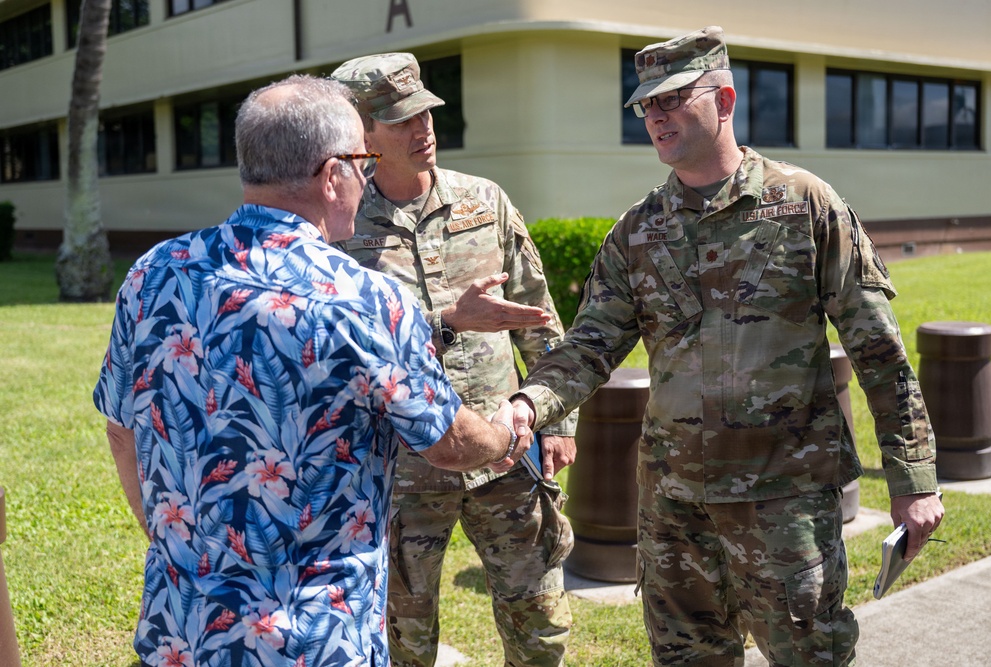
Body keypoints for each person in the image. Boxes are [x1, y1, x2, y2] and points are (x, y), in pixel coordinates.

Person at [508, 26, 945, 667]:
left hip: (785, 504)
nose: (656, 115)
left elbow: (878, 351)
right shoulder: (637, 231)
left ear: (725, 100)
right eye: (646, 106)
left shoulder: (804, 207)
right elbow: (590, 344)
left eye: (673, 98)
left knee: (809, 656)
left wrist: (913, 479)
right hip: (674, 508)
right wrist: (530, 402)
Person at [93, 74, 532, 667]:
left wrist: (177, 545)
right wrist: (507, 431)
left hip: (182, 626)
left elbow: (121, 430)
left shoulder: (154, 273)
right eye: (363, 161)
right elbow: (449, 444)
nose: (368, 176)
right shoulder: (369, 299)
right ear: (332, 176)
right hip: (315, 640)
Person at [330, 53, 576, 667]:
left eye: (425, 112)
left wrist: (558, 421)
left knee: (539, 618)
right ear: (362, 134)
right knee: (403, 631)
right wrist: (444, 320)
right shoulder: (338, 226)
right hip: (401, 466)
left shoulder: (483, 201)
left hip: (507, 449)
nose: (423, 129)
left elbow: (537, 314)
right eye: (401, 119)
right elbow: (340, 344)